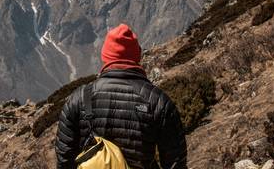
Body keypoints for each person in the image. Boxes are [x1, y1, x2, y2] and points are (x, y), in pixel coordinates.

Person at [55, 24, 188, 169]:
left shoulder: (79, 99)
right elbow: (175, 163)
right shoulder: (157, 102)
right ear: (137, 56)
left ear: (105, 56)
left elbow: (64, 160)